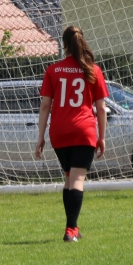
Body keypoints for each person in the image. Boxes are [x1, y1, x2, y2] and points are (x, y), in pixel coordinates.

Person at [35, 25, 108, 242]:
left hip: (59, 132)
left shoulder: (53, 70)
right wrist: (101, 137)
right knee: (77, 180)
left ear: (64, 44)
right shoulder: (93, 70)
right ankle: (71, 229)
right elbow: (101, 108)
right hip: (83, 131)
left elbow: (45, 106)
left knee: (68, 178)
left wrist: (40, 137)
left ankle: (73, 227)